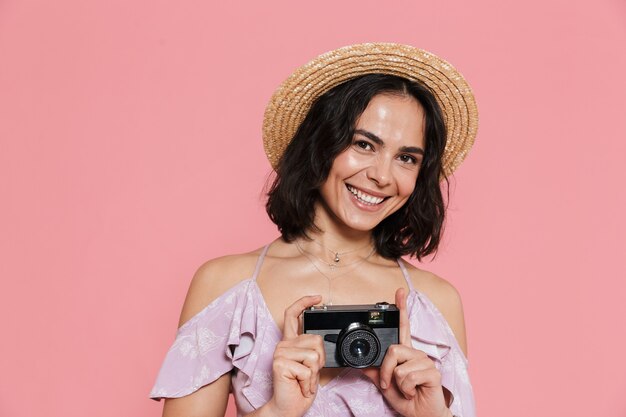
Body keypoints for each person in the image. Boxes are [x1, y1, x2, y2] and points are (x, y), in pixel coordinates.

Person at [150, 43, 478, 417]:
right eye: (364, 144)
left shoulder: (437, 303)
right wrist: (276, 412)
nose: (382, 176)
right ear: (320, 143)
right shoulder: (226, 285)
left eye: (406, 158)